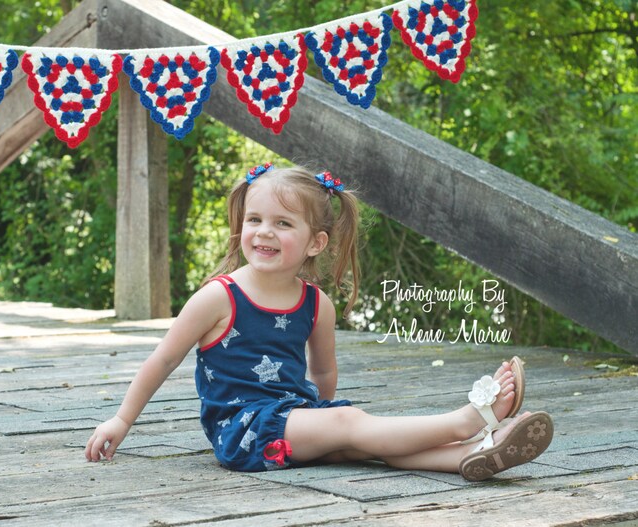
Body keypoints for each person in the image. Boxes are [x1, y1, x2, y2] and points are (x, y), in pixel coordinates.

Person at [85, 163, 554, 480]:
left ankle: (468, 457)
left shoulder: (316, 304)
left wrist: (322, 422)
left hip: (291, 418)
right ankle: (465, 421)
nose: (264, 231)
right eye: (254, 219)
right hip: (244, 430)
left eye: (283, 224)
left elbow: (323, 373)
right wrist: (122, 419)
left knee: (360, 440)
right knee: (354, 424)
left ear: (315, 242)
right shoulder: (218, 297)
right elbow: (163, 358)